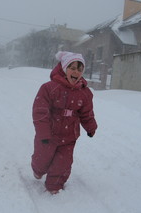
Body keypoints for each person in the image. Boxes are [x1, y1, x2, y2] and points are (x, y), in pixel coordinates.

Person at [31, 51, 98, 194]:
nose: (76, 72)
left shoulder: (84, 93)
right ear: (64, 68)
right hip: (49, 134)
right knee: (42, 160)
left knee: (63, 163)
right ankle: (38, 169)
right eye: (72, 68)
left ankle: (55, 185)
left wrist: (90, 127)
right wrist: (43, 132)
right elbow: (40, 111)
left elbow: (86, 113)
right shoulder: (49, 88)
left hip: (69, 136)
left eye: (80, 69)